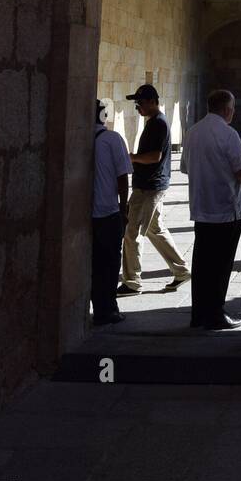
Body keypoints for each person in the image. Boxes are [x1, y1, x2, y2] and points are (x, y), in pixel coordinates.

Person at [181, 89, 241, 331]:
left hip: (201, 208)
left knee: (201, 264)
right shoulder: (229, 135)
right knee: (221, 265)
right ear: (228, 109)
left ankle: (199, 314)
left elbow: (186, 168)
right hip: (226, 209)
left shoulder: (191, 133)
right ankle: (216, 314)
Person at [118, 84, 190, 296]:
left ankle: (132, 282)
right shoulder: (155, 122)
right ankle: (182, 270)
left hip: (149, 186)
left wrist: (131, 157)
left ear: (151, 101)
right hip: (151, 184)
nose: (137, 107)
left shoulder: (158, 123)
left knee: (132, 233)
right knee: (154, 229)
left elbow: (155, 156)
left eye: (140, 103)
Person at [91, 99, 132, 325]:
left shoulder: (78, 137)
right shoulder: (112, 139)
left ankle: (94, 304)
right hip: (107, 211)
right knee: (109, 262)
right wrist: (124, 208)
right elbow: (122, 177)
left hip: (86, 213)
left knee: (94, 262)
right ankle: (107, 309)